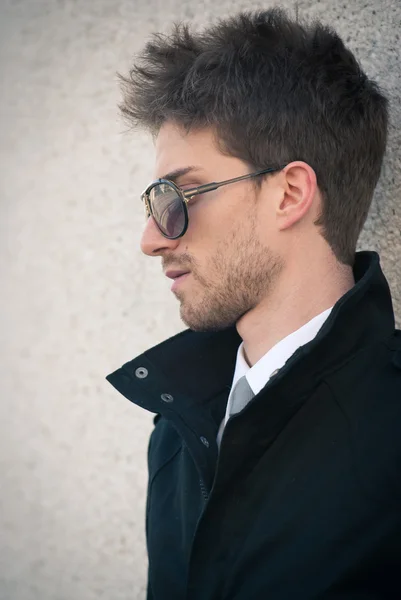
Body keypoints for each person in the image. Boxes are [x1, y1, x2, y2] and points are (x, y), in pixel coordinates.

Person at [106, 8, 401, 599]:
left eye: (180, 195)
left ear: (290, 193)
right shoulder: (178, 426)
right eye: (153, 204)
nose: (152, 239)